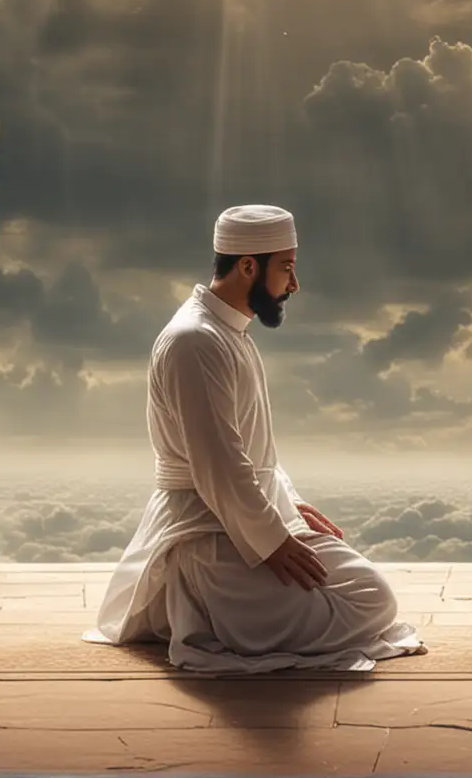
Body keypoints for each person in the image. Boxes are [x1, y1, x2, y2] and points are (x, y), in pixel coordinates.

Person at [85, 205, 424, 672]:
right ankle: (202, 605)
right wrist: (270, 541)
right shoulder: (195, 341)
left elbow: (253, 453)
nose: (294, 284)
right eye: (286, 267)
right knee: (353, 611)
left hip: (255, 513)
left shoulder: (229, 333)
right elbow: (218, 465)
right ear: (248, 266)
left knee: (371, 595)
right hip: (208, 532)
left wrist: (287, 504)